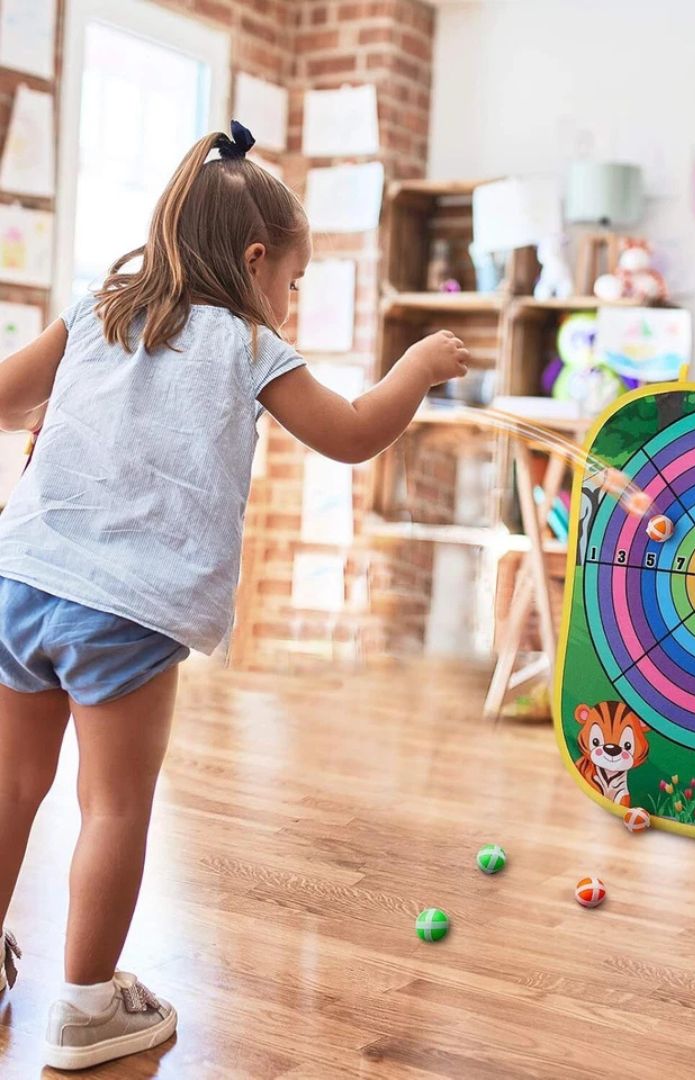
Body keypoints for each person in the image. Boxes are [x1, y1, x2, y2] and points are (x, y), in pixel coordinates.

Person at [0, 121, 469, 1071]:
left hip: (21, 581)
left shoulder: (101, 312)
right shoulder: (248, 346)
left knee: (10, 783)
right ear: (256, 262)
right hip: (125, 609)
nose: (289, 304)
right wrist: (415, 369)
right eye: (292, 284)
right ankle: (89, 1009)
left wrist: (57, 415)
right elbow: (348, 435)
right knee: (115, 806)